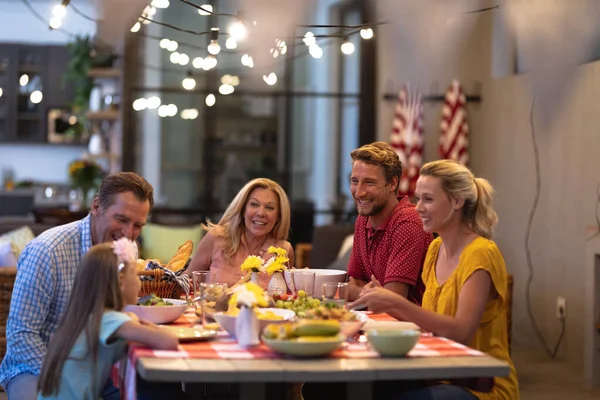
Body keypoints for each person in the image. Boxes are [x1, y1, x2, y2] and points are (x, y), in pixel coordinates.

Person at [349, 160, 519, 400]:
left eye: (428, 199)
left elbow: (461, 332)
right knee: (342, 387)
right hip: (436, 373)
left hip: (480, 387)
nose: (418, 208)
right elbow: (430, 323)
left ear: (457, 202)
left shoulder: (481, 253)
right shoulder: (436, 249)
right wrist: (386, 303)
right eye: (418, 198)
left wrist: (396, 304)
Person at [0, 172, 154, 400]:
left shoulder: (125, 250)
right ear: (96, 206)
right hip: (36, 367)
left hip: (98, 366)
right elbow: (21, 336)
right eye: (121, 219)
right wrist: (68, 378)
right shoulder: (47, 251)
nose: (128, 233)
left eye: (137, 225)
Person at [37, 239, 179, 400]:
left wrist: (132, 319)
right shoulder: (109, 319)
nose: (140, 282)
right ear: (121, 283)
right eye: (136, 275)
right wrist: (135, 320)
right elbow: (168, 341)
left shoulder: (90, 315)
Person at [347, 142, 433, 304]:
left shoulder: (408, 222)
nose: (359, 192)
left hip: (408, 327)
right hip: (375, 323)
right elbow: (352, 284)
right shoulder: (362, 219)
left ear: (392, 184)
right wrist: (364, 292)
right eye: (355, 181)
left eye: (370, 182)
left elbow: (391, 301)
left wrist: (357, 292)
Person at [189, 178, 294, 288]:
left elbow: (287, 295)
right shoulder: (216, 237)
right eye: (254, 204)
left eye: (269, 207)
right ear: (243, 209)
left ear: (278, 216)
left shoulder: (284, 251)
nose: (261, 213)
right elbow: (189, 280)